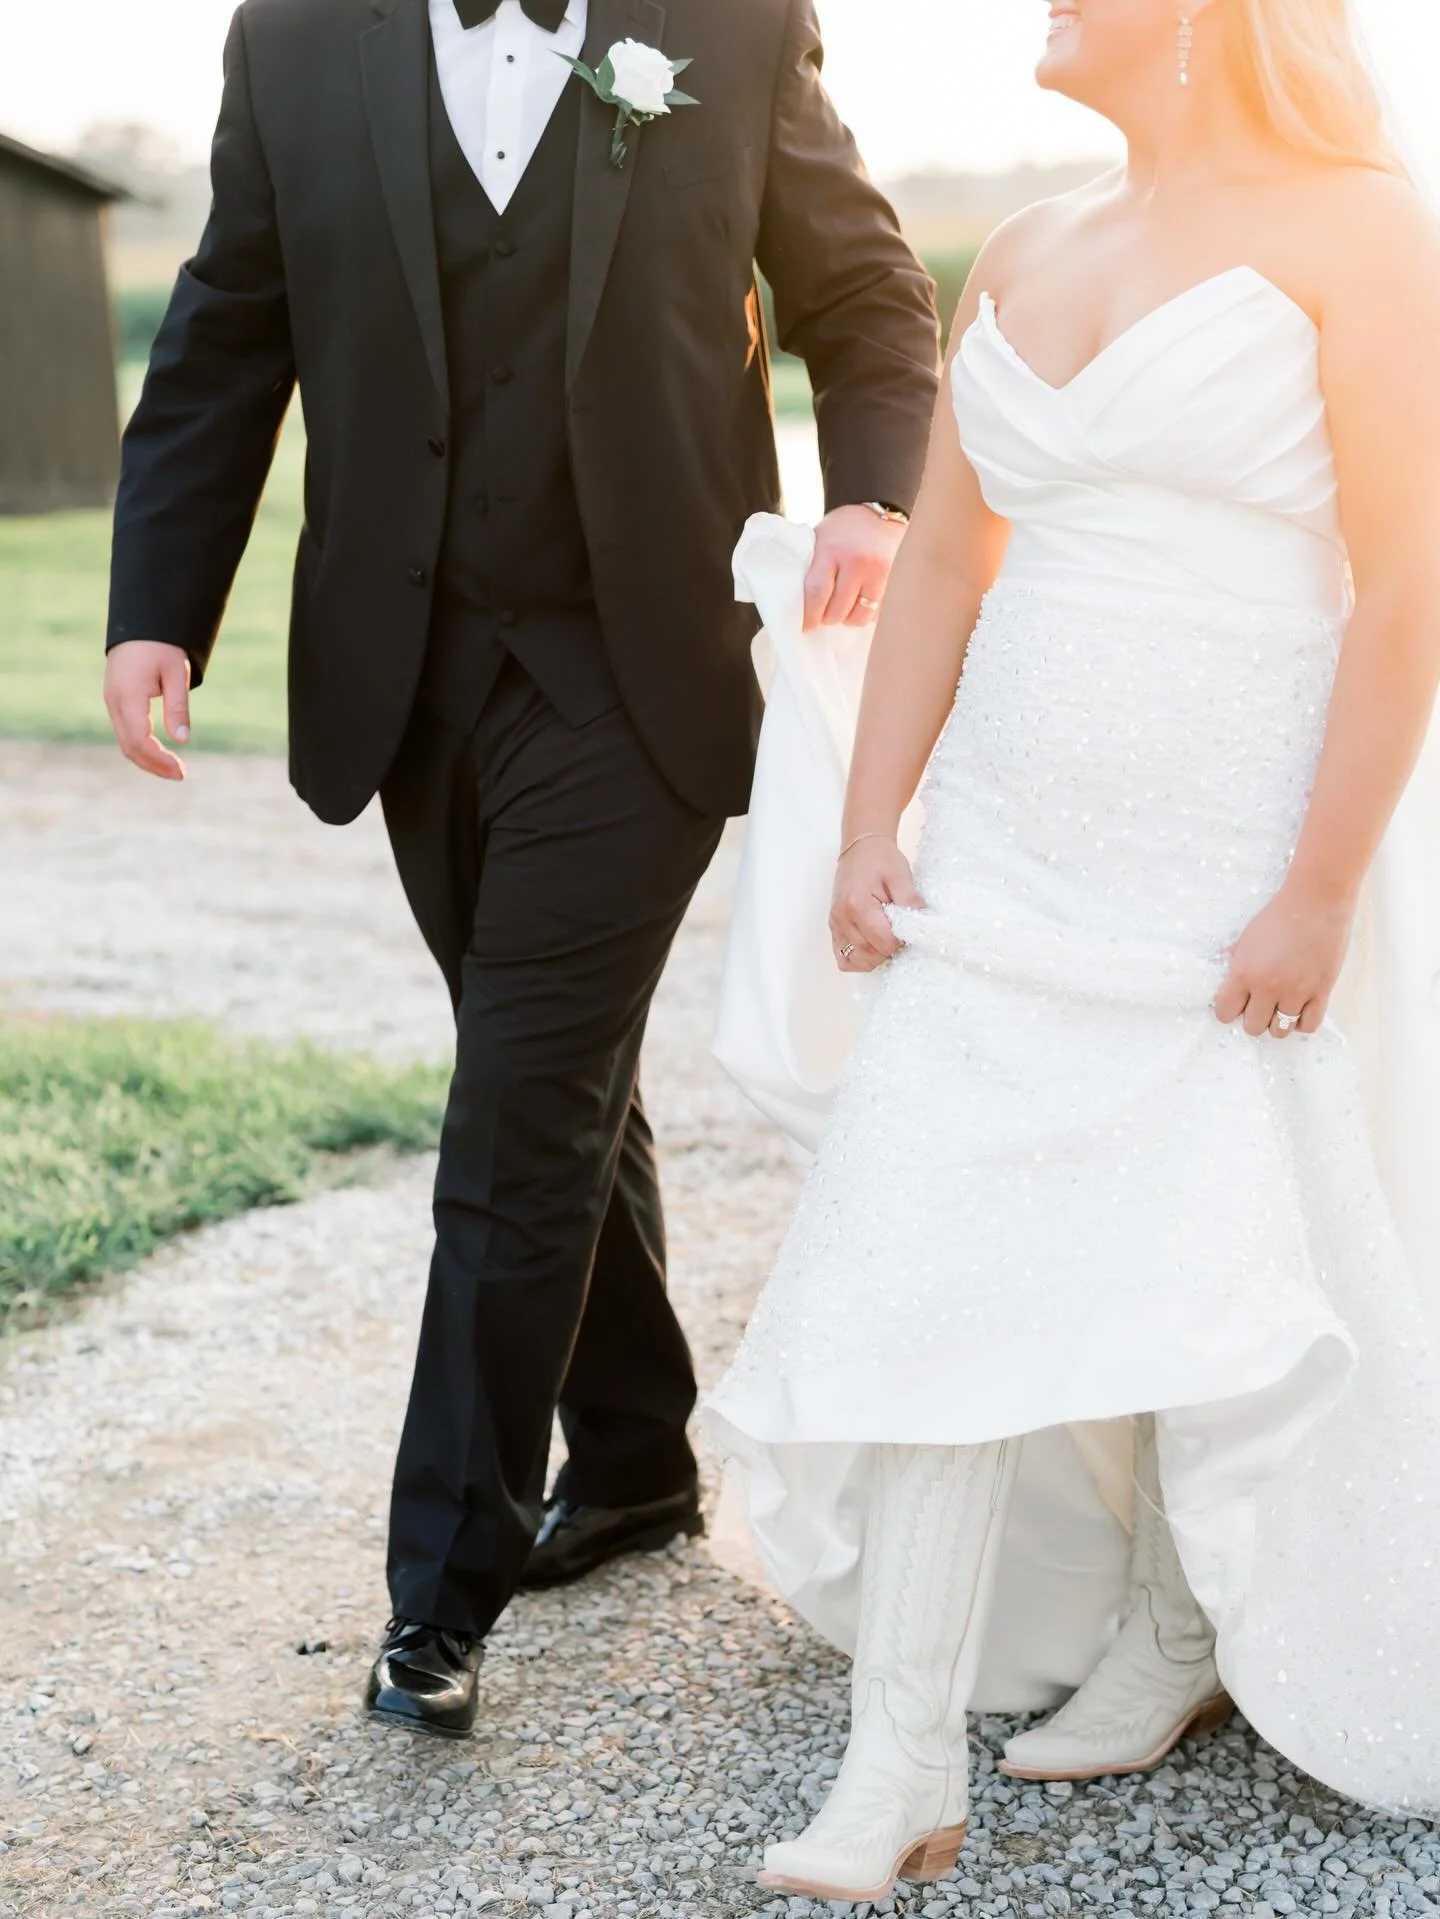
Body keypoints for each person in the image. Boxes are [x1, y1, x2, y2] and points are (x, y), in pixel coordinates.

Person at [102, 0, 939, 1738]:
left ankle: (438, 1586)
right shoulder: (296, 39)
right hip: (410, 679)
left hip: (639, 674)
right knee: (546, 1072)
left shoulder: (725, 21)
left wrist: (872, 498)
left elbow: (867, 297)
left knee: (519, 1111)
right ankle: (632, 1453)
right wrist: (157, 608)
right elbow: (226, 332)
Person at [706, 0, 1440, 1899]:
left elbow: (1409, 580)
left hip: (1226, 848)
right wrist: (877, 829)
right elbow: (951, 556)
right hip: (1014, 848)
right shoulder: (1029, 246)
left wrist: (1322, 886)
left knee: (1196, 1241)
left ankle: (1179, 1628)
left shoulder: (1363, 226)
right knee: (926, 1249)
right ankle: (894, 1769)